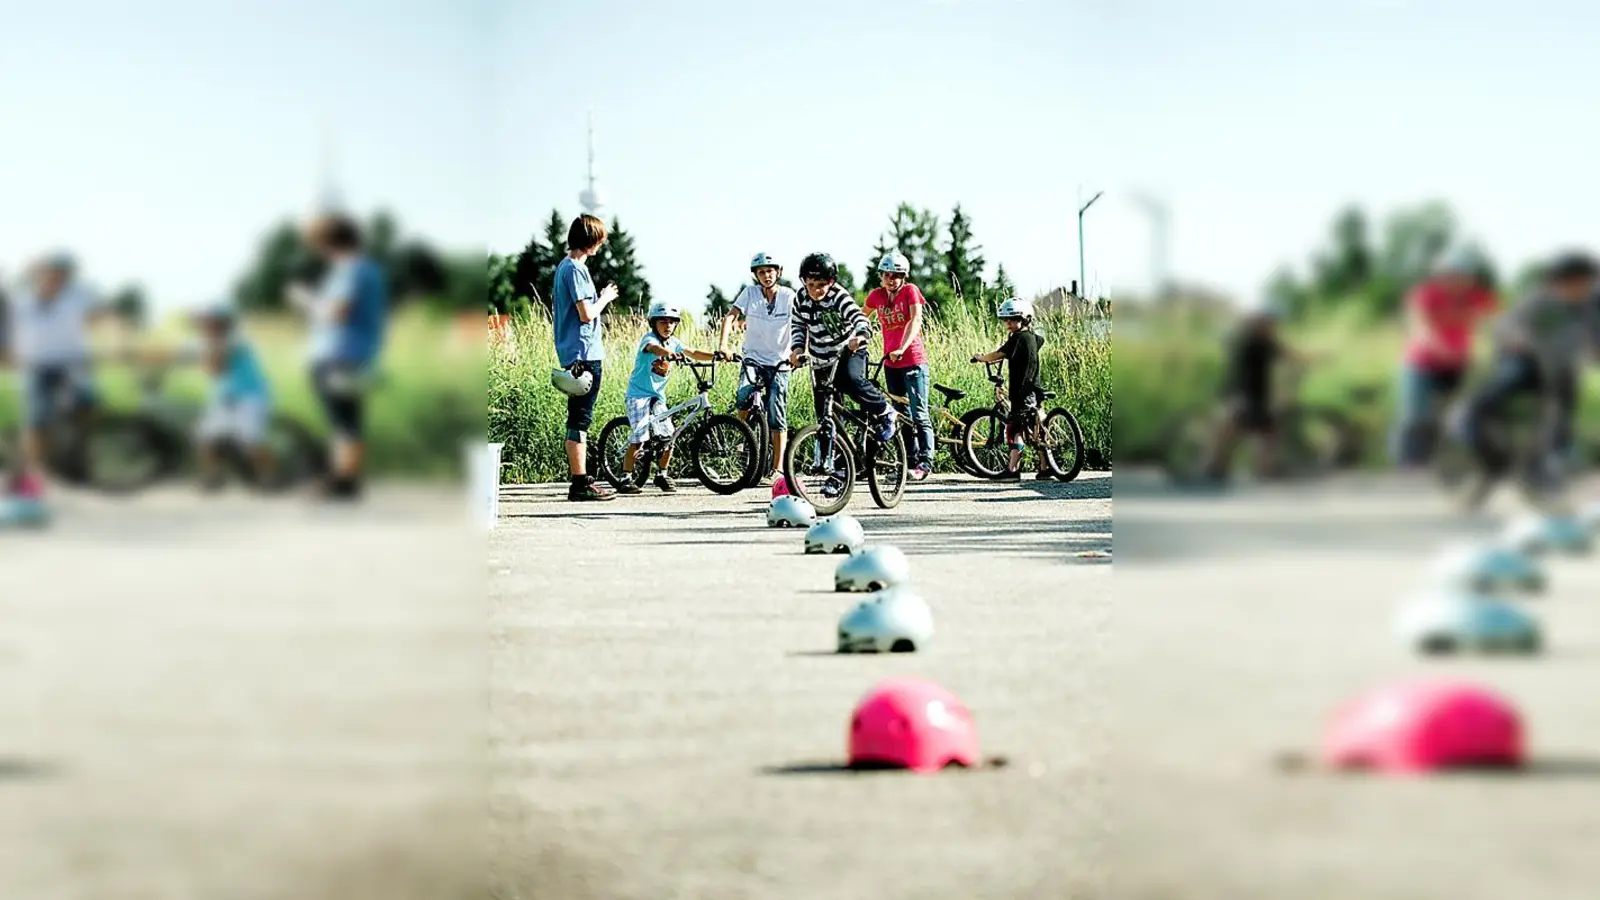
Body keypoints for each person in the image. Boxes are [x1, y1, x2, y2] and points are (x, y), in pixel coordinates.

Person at [1457, 250, 1600, 496]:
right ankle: (1484, 448)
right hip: (1524, 362)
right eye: (1575, 282)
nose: (1581, 288)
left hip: (1557, 368)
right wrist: (1517, 338)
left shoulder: (1590, 307)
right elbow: (1506, 324)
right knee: (1493, 394)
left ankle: (1540, 465)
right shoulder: (1539, 301)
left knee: (1561, 416)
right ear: (1557, 282)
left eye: (1586, 282)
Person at [289, 213, 388, 501]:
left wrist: (305, 300)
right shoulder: (371, 270)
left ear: (329, 242)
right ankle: (348, 480)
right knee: (350, 418)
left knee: (341, 421)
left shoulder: (349, 270)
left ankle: (342, 481)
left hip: (337, 354)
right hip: (360, 353)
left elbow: (338, 311)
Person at [132, 303, 276, 490]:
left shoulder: (236, 339)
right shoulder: (206, 340)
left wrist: (201, 355)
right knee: (203, 437)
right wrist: (148, 360)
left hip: (249, 397)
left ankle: (270, 475)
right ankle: (214, 476)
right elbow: (176, 354)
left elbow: (216, 367)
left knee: (249, 443)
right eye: (204, 321)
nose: (204, 324)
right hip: (224, 398)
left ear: (222, 323)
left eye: (209, 321)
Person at [3, 252, 108, 507]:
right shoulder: (21, 299)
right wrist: (8, 353)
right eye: (49, 272)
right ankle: (36, 472)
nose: (54, 277)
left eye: (61, 273)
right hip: (37, 364)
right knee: (37, 420)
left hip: (72, 362)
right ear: (39, 274)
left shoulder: (79, 295)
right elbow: (9, 330)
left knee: (84, 406)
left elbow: (101, 315)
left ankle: (78, 461)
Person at [786, 252, 896, 496]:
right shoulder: (801, 298)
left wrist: (860, 335)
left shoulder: (839, 296)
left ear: (831, 282)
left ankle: (885, 411)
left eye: (821, 285)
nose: (816, 290)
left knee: (851, 380)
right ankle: (839, 471)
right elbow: (798, 326)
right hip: (820, 359)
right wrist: (796, 350)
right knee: (827, 415)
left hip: (849, 351)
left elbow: (859, 317)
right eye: (811, 285)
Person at [1391, 249, 1498, 469]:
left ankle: (1454, 462)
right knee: (1415, 415)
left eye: (1461, 276)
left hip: (1458, 363)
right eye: (1448, 275)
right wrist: (1440, 348)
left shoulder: (1478, 296)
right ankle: (1407, 462)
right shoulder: (1425, 294)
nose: (1455, 281)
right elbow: (1420, 327)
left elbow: (1497, 322)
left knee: (1461, 413)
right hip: (1421, 363)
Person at [1199, 298, 1314, 482]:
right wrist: (1311, 360)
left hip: (1247, 392)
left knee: (1262, 429)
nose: (1274, 326)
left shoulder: (1257, 339)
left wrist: (1308, 362)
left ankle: (1226, 465)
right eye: (1271, 322)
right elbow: (1290, 356)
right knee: (1251, 428)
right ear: (1262, 321)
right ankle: (1221, 465)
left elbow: (1289, 356)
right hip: (1244, 392)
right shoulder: (1255, 340)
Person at [619, 302, 723, 494]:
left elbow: (693, 353)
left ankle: (662, 474)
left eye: (672, 322)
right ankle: (625, 477)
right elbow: (654, 349)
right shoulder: (649, 339)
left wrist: (717, 356)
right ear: (653, 323)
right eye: (663, 322)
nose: (668, 326)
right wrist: (669, 354)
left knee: (669, 435)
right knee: (640, 435)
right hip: (638, 395)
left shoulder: (675, 342)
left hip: (657, 397)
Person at [550, 213, 619, 502]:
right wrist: (605, 297)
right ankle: (579, 483)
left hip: (576, 352)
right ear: (590, 240)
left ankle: (581, 478)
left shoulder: (565, 267)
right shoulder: (575, 269)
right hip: (583, 355)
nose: (601, 245)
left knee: (579, 417)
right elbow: (586, 313)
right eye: (599, 240)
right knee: (580, 419)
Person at [718, 252, 795, 483]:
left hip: (780, 362)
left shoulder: (789, 296)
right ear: (756, 275)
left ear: (778, 272)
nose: (766, 275)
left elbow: (803, 322)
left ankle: (778, 468)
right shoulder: (749, 293)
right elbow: (731, 316)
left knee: (777, 413)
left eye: (770, 271)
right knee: (743, 395)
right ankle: (743, 437)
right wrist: (723, 344)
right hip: (753, 358)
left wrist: (800, 351)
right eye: (761, 272)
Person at [865, 251, 934, 480]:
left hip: (912, 360)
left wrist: (902, 348)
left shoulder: (909, 291)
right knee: (899, 414)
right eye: (887, 274)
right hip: (890, 364)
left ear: (903, 276)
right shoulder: (876, 296)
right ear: (881, 276)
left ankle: (925, 462)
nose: (892, 279)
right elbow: (860, 317)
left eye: (897, 275)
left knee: (919, 413)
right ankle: (908, 462)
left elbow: (915, 320)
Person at [971, 297, 1049, 481]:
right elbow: (1019, 352)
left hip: (1021, 390)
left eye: (1013, 319)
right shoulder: (1032, 338)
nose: (1008, 323)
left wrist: (982, 358)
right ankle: (1046, 468)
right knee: (1035, 428)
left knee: (1014, 429)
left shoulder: (1018, 338)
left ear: (1026, 319)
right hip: (1034, 388)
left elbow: (999, 354)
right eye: (1006, 320)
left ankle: (1013, 470)